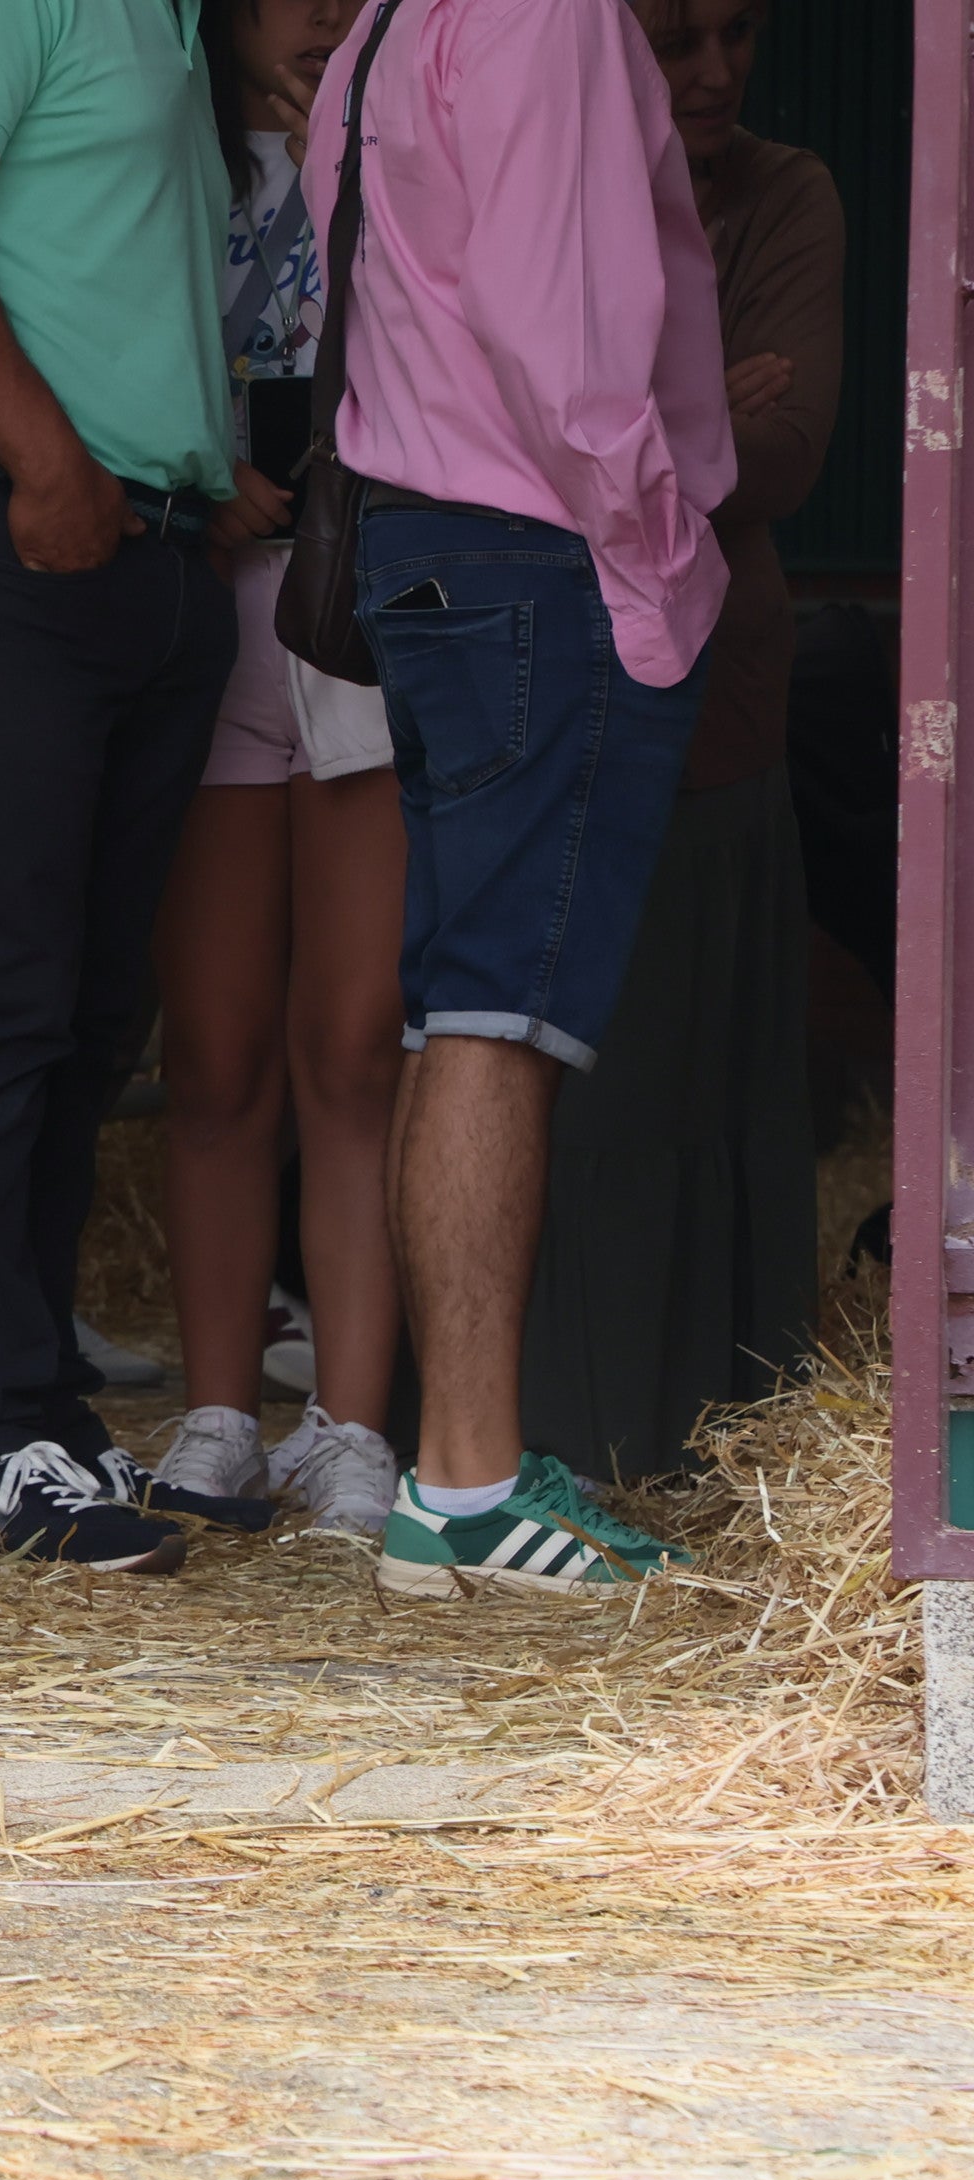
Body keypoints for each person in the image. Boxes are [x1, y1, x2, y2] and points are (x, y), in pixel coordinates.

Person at [309, 0, 732, 1595]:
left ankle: (456, 1466)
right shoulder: (546, 12)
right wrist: (664, 550)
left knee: (455, 1007)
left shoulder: (382, 26)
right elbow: (562, 340)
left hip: (425, 542)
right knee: (504, 1014)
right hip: (539, 545)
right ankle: (471, 1487)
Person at [0, 0, 255, 1571]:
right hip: (9, 534)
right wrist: (48, 462)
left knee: (83, 1014)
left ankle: (34, 1409)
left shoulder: (166, 12)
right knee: (1, 996)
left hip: (127, 543)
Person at [519, 0, 835, 1483]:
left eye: (738, 38)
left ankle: (705, 1443)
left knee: (701, 1080)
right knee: (576, 1082)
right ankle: (554, 1442)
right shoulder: (535, 166)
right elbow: (509, 434)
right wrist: (693, 408)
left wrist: (614, 418)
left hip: (716, 692)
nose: (712, 72)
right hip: (532, 686)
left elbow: (788, 445)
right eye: (673, 37)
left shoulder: (789, 192)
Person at [143, 0, 406, 1537]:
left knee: (355, 1042)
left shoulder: (407, 142)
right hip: (206, 610)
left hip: (356, 607)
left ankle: (355, 1426)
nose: (314, 14)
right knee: (215, 1048)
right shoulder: (163, 159)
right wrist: (196, 463)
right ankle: (223, 1411)